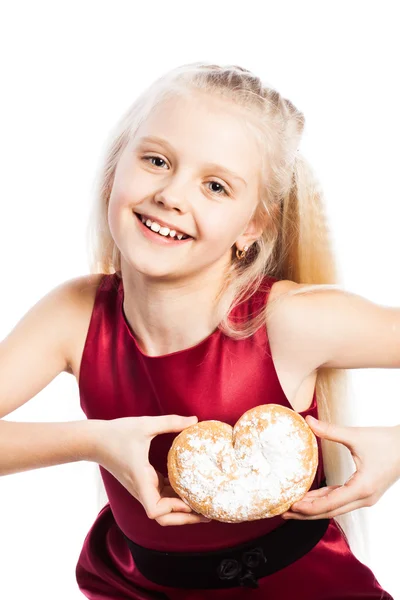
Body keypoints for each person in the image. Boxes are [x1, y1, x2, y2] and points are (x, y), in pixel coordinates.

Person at [0, 62, 398, 599]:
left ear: (253, 225)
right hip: (137, 587)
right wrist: (93, 441)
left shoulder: (288, 322)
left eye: (215, 185)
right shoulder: (74, 315)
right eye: (157, 160)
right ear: (118, 163)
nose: (171, 194)